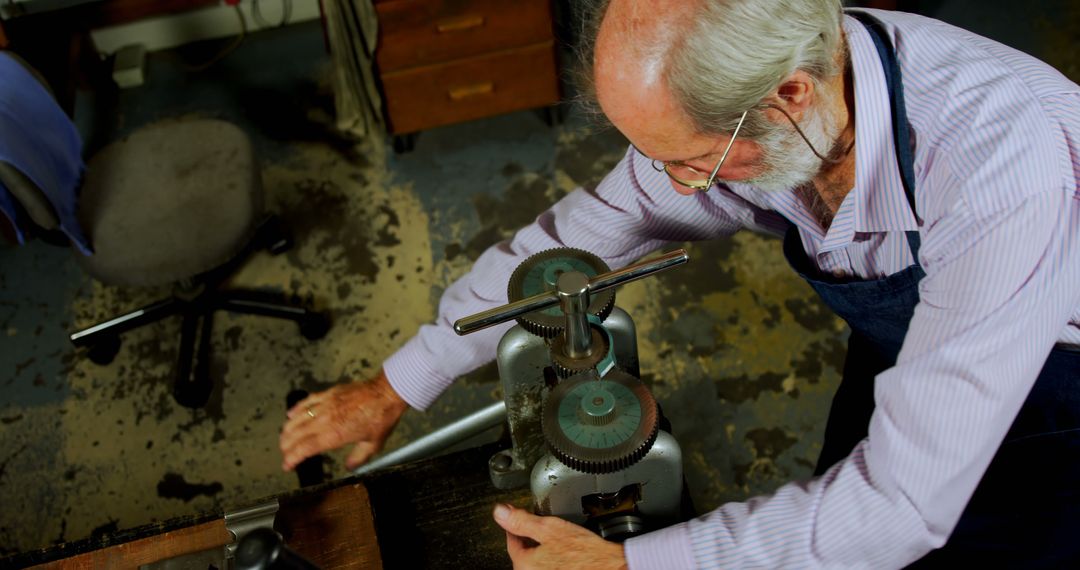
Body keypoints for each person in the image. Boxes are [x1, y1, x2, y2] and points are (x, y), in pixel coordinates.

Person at [280, 0, 1080, 567]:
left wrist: (634, 565)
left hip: (1054, 383)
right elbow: (579, 235)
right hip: (906, 337)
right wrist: (396, 384)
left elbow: (898, 506)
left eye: (691, 158)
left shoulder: (999, 175)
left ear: (789, 95)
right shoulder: (775, 99)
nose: (680, 188)